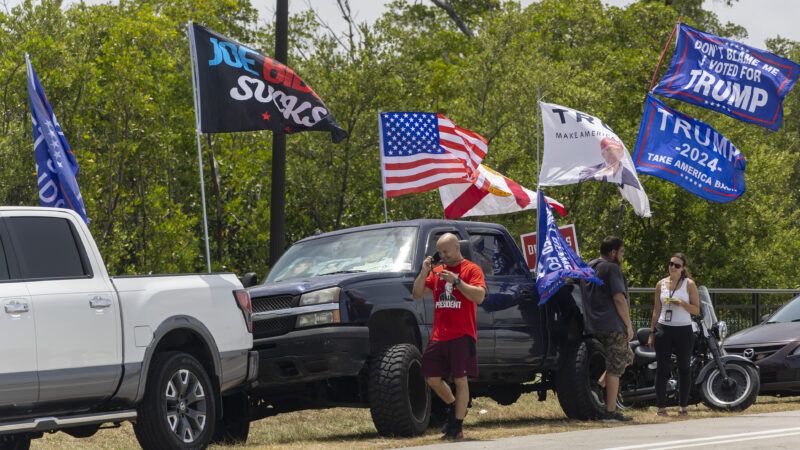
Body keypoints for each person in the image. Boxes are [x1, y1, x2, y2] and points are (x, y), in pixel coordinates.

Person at [412, 233, 486, 440]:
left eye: (446, 251)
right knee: (431, 378)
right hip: (439, 336)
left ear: (457, 248)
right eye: (440, 251)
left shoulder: (471, 269)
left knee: (461, 380)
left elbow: (479, 296)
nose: (442, 255)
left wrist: (458, 282)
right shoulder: (437, 271)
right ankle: (455, 408)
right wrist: (423, 272)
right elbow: (417, 294)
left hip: (462, 334)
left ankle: (457, 426)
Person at [583, 236, 634, 422]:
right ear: (612, 253)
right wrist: (628, 325)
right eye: (621, 252)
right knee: (615, 368)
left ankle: (597, 387)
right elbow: (619, 298)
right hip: (612, 325)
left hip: (594, 324)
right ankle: (610, 412)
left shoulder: (590, 266)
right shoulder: (612, 268)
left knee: (627, 357)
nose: (622, 255)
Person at [648, 252, 700, 417]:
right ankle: (661, 407)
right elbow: (656, 310)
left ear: (683, 268)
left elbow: (696, 310)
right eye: (671, 264)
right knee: (662, 368)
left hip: (683, 329)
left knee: (684, 368)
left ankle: (683, 406)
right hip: (664, 328)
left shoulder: (689, 284)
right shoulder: (661, 284)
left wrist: (682, 303)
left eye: (677, 265)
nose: (672, 267)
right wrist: (652, 332)